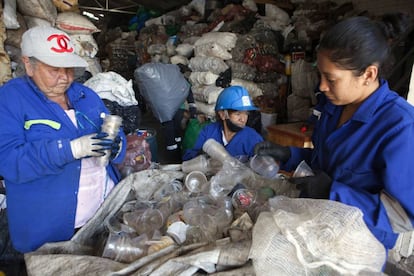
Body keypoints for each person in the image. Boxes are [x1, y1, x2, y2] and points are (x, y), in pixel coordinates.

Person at [254, 16, 414, 256]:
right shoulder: (332, 107)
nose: (322, 86)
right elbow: (326, 161)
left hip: (357, 250)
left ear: (369, 74)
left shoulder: (400, 126)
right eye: (320, 75)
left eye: (331, 78)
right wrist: (290, 154)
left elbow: (401, 217)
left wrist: (333, 191)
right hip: (314, 228)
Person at [0, 26, 127, 253]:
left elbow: (115, 134)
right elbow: (9, 161)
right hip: (50, 231)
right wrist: (71, 149)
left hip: (103, 217)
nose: (65, 77)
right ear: (29, 64)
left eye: (69, 68)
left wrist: (117, 146)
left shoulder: (85, 95)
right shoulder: (11, 98)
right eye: (54, 69)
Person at [183, 85, 263, 161]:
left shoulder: (253, 138)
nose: (243, 119)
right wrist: (202, 155)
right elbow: (188, 157)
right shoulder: (208, 131)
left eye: (246, 113)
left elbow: (263, 168)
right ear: (223, 114)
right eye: (238, 114)